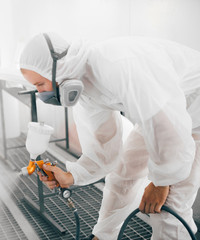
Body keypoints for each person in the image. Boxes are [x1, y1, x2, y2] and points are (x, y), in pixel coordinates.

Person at [19, 32, 200, 240]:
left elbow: (169, 127)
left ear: (56, 70)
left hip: (194, 113)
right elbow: (104, 148)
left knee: (168, 206)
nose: (41, 94)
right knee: (122, 176)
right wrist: (72, 176)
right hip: (159, 116)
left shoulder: (115, 65)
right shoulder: (84, 87)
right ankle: (103, 237)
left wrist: (162, 183)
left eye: (40, 85)